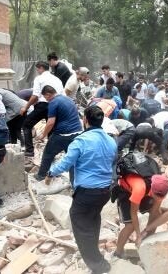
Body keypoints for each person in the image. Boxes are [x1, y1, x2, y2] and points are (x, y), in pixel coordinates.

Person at [46, 106, 117, 274]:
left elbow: (66, 162)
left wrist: (50, 173)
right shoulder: (111, 140)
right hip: (105, 190)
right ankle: (95, 254)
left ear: (85, 120)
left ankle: (98, 265)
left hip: (87, 191)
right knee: (93, 220)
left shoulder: (81, 140)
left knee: (81, 226)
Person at [34, 86, 83, 181]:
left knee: (48, 153)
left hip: (63, 134)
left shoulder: (53, 102)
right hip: (77, 133)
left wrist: (42, 135)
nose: (46, 100)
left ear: (48, 94)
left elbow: (50, 122)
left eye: (45, 97)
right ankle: (74, 182)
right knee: (72, 158)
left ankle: (41, 175)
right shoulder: (67, 99)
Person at [114, 174, 168, 258]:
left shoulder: (163, 185)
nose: (159, 199)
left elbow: (155, 211)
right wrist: (138, 235)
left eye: (161, 198)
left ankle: (148, 241)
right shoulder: (139, 188)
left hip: (144, 192)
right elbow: (133, 213)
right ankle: (117, 253)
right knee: (130, 226)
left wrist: (147, 231)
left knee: (156, 212)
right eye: (156, 197)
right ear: (152, 190)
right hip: (126, 192)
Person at [20, 61, 64, 162]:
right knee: (52, 130)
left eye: (37, 69)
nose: (37, 71)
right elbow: (62, 94)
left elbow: (35, 95)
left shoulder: (39, 78)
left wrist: (25, 107)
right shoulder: (57, 79)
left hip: (43, 105)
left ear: (40, 68)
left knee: (26, 125)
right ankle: (52, 153)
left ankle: (29, 151)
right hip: (56, 104)